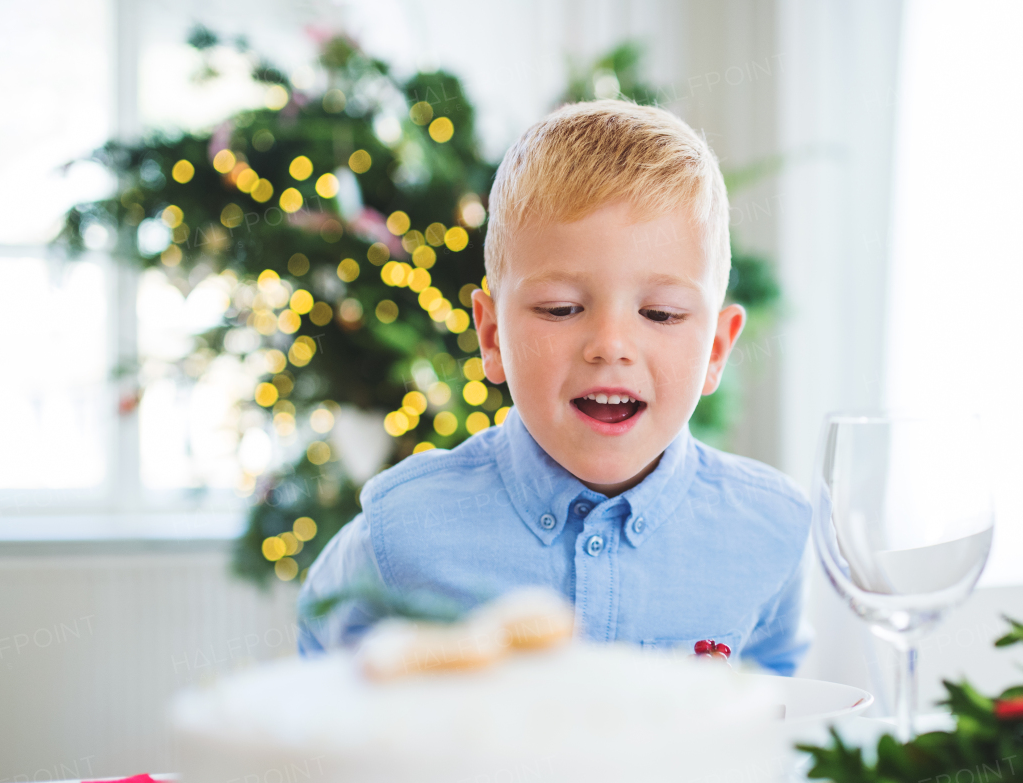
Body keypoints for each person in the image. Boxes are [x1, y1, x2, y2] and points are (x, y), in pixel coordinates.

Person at [298, 98, 812, 674]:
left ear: (716, 349)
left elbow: (778, 715)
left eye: (661, 314)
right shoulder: (402, 527)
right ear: (492, 337)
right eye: (562, 308)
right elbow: (317, 681)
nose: (609, 344)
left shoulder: (772, 529)